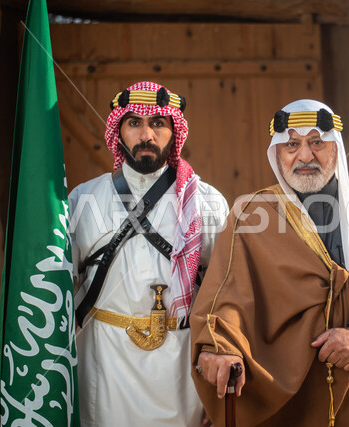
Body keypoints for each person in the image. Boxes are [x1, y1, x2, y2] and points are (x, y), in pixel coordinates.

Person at [190, 99, 349, 426]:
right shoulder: (251, 214)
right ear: (277, 153)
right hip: (292, 393)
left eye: (316, 142)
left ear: (336, 148)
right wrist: (223, 345)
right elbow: (227, 291)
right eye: (292, 145)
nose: (304, 156)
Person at [69, 81, 229, 427]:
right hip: (106, 361)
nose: (146, 134)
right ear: (118, 131)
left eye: (157, 123)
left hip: (181, 369)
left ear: (173, 131)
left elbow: (225, 290)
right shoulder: (83, 200)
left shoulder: (206, 202)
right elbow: (62, 286)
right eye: (134, 123)